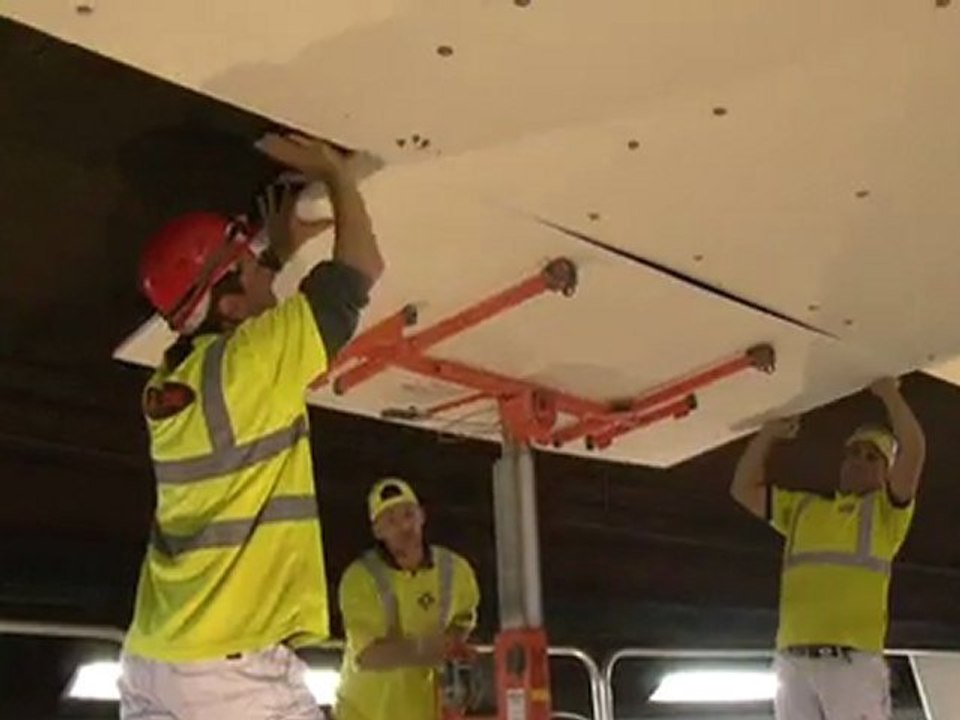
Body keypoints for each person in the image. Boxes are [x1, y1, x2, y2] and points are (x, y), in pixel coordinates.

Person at [118, 132, 385, 719]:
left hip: (164, 658)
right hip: (221, 671)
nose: (267, 273)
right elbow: (359, 268)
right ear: (229, 304)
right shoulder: (245, 367)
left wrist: (273, 252)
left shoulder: (173, 378)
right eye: (249, 266)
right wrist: (336, 176)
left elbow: (236, 307)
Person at [730, 377, 926, 720]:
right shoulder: (804, 509)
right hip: (793, 663)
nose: (859, 461)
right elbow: (742, 489)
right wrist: (767, 435)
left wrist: (888, 393)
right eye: (853, 453)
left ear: (886, 473)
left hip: (852, 665)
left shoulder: (886, 514)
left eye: (872, 457)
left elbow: (915, 448)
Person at [335, 478, 481, 720]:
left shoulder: (455, 569)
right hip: (367, 714)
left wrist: (454, 648)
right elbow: (368, 656)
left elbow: (463, 620)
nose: (404, 526)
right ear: (377, 531)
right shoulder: (360, 578)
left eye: (408, 515)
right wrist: (429, 650)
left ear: (422, 516)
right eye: (390, 520)